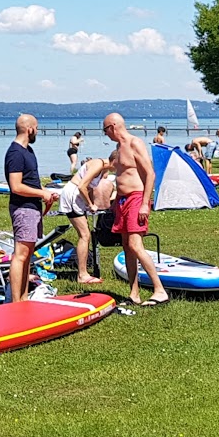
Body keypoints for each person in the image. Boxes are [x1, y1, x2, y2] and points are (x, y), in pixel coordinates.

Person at [102, 112, 168, 306]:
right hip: (123, 200)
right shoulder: (118, 147)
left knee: (135, 245)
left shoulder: (134, 143)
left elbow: (150, 174)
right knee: (127, 247)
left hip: (136, 198)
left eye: (105, 129)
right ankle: (134, 293)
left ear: (113, 126)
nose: (105, 134)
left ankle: (159, 290)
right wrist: (115, 202)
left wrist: (145, 204)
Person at [4, 114, 59, 301]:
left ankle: (24, 297)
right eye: (37, 127)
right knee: (20, 255)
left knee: (27, 255)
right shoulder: (16, 153)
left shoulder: (29, 151)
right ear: (29, 129)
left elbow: (32, 184)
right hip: (23, 208)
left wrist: (46, 192)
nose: (38, 131)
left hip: (33, 208)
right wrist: (41, 194)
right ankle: (16, 300)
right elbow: (16, 186)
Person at [58, 157, 109, 285]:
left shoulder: (103, 169)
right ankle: (82, 275)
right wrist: (90, 204)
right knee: (84, 235)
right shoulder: (98, 164)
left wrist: (90, 204)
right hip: (72, 196)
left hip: (78, 198)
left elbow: (90, 188)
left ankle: (84, 272)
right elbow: (82, 186)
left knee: (85, 235)